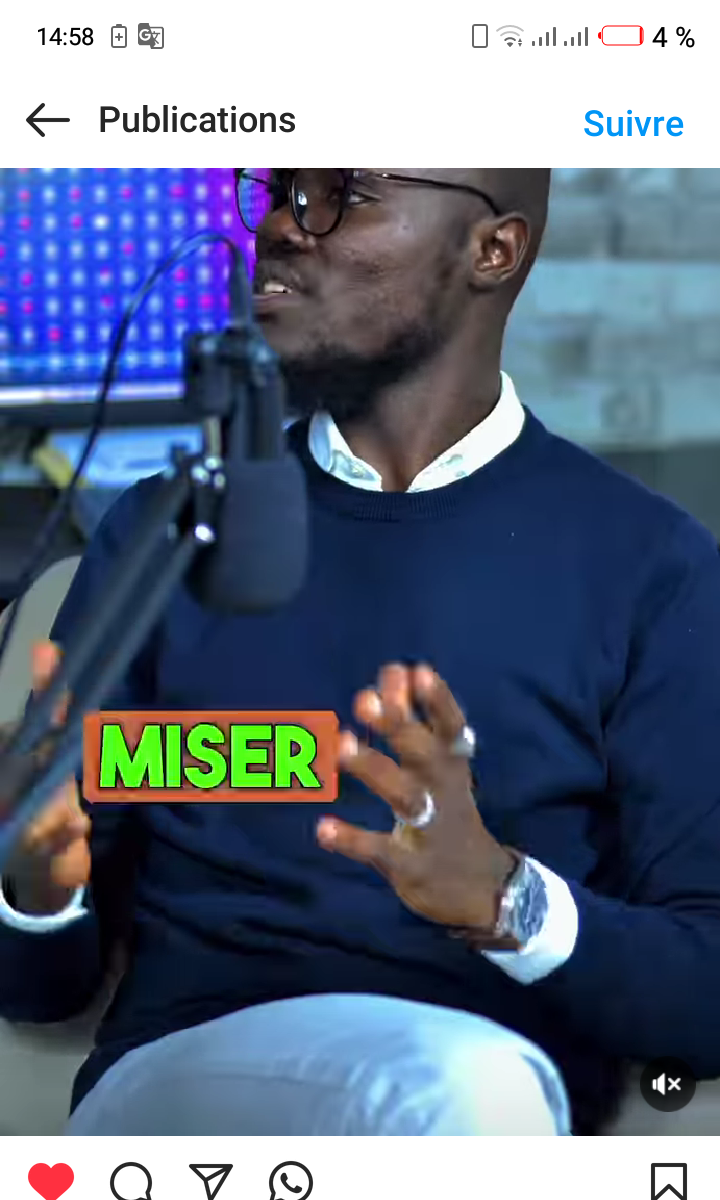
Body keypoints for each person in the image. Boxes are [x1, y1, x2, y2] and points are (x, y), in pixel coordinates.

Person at [2, 167, 720, 1136]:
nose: (281, 228)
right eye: (280, 193)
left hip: (497, 1102)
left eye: (344, 192)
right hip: (187, 1080)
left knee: (467, 1086)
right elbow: (39, 988)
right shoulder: (164, 532)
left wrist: (506, 901)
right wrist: (37, 890)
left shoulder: (652, 567)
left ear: (492, 251)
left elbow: (705, 989)